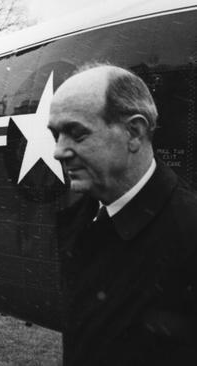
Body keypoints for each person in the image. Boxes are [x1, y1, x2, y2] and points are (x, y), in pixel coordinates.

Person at [48, 64, 197, 365]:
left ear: (134, 133)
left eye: (76, 134)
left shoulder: (189, 233)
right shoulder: (79, 220)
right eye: (56, 135)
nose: (58, 152)